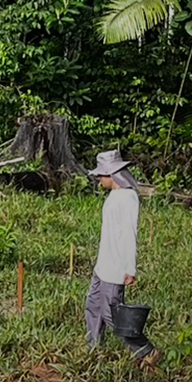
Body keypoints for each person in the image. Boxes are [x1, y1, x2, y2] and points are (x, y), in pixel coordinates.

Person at [85, 150, 144, 354]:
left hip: (115, 267)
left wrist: (130, 268)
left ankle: (145, 350)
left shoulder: (128, 198)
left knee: (112, 314)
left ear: (112, 174)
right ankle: (93, 349)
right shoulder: (114, 195)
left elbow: (129, 233)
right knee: (93, 305)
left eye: (102, 175)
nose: (100, 179)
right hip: (103, 265)